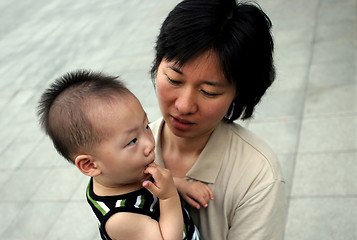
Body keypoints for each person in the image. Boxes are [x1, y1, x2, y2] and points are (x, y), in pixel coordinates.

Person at [149, 0, 286, 239]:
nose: (184, 105)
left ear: (238, 93)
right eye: (174, 79)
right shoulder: (125, 146)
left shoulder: (257, 176)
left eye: (209, 92)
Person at [37, 70, 200, 240]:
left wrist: (182, 185)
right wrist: (169, 196)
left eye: (146, 126)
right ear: (90, 165)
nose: (149, 144)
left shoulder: (122, 171)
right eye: (132, 141)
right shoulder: (120, 219)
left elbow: (158, 181)